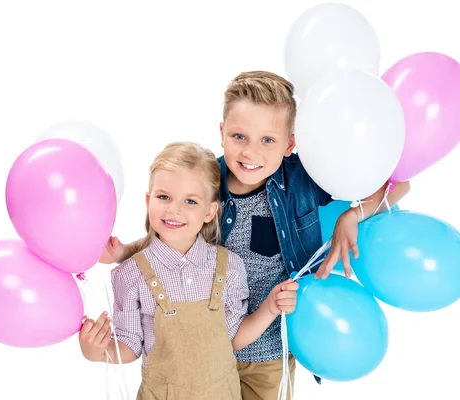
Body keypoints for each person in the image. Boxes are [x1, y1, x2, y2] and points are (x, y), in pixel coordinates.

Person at [99, 71, 411, 399]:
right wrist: (125, 252)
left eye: (267, 140)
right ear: (221, 133)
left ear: (290, 143)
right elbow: (172, 233)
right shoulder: (207, 179)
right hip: (206, 350)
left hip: (271, 350)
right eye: (239, 137)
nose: (250, 153)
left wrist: (352, 215)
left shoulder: (304, 178)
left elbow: (398, 183)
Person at [79, 141, 299, 400]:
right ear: (148, 201)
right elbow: (129, 346)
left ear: (209, 212)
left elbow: (233, 339)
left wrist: (270, 307)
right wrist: (96, 351)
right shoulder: (130, 274)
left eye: (190, 201)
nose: (174, 209)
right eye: (164, 197)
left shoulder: (229, 267)